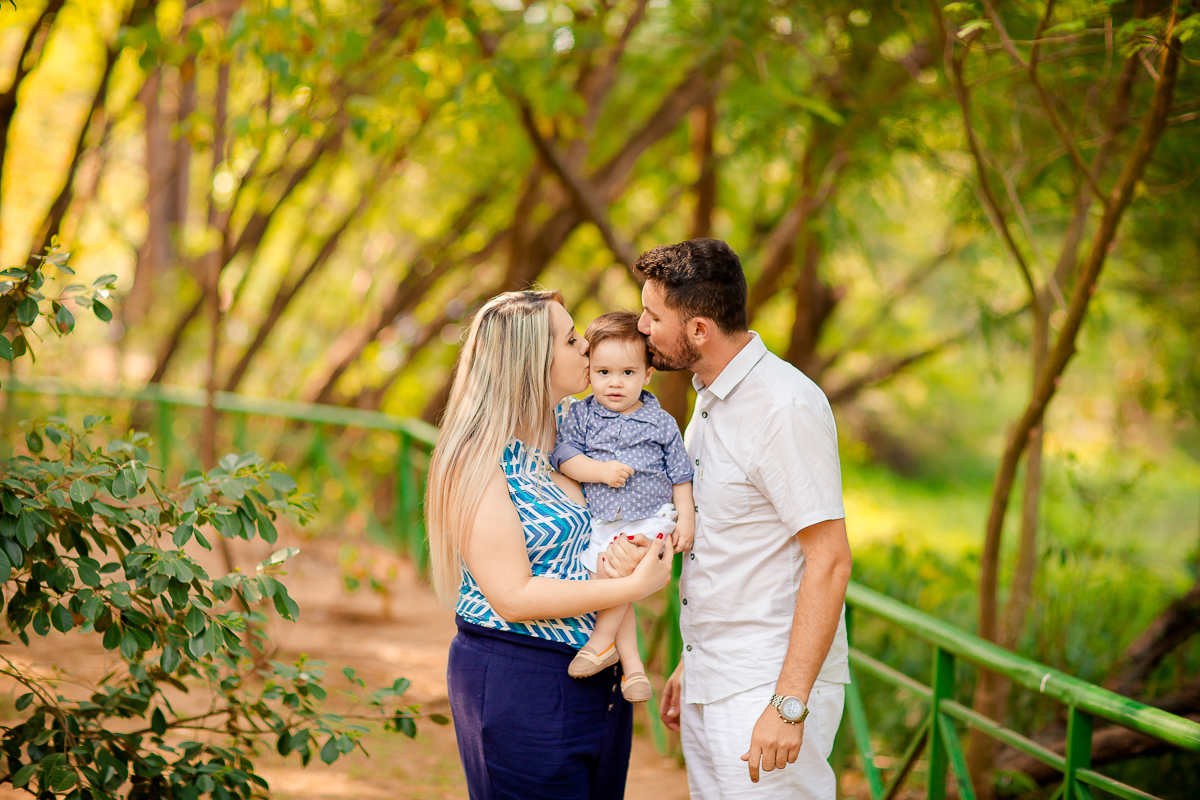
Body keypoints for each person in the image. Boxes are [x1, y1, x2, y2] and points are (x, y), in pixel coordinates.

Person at [603, 239, 853, 800]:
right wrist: (696, 663)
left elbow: (831, 561)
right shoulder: (711, 398)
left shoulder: (783, 408)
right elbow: (731, 544)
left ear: (697, 331)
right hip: (719, 678)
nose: (641, 327)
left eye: (653, 316)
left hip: (768, 688)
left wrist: (788, 705)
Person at [425, 290, 673, 800]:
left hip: (596, 679)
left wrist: (631, 548)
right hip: (522, 676)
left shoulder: (569, 432)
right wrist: (632, 585)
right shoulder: (479, 458)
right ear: (530, 360)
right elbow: (512, 597)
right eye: (571, 339)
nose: (588, 348)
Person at [551, 311, 696, 703]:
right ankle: (633, 671)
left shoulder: (660, 422)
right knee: (609, 581)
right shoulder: (581, 414)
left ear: (648, 373)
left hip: (649, 520)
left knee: (616, 576)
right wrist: (598, 471)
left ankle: (599, 643)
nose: (615, 383)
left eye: (628, 373)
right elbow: (563, 457)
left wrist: (687, 519)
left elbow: (681, 474)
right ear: (590, 370)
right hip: (604, 522)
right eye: (603, 372)